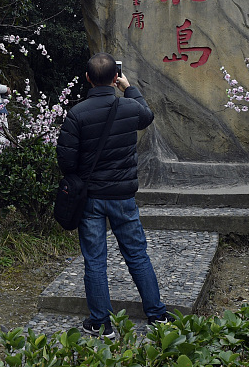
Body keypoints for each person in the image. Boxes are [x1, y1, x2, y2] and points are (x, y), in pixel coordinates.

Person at [55, 52, 169, 339]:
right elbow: (147, 117)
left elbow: (66, 162)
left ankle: (101, 323)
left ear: (87, 78)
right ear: (115, 77)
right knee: (137, 255)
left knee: (95, 260)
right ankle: (157, 315)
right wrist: (129, 88)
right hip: (123, 196)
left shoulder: (77, 113)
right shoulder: (129, 107)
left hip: (91, 198)